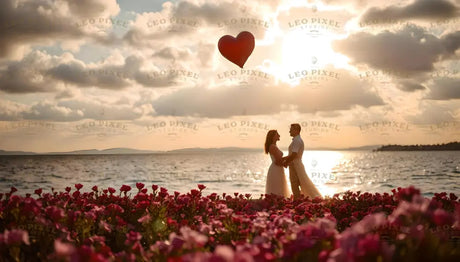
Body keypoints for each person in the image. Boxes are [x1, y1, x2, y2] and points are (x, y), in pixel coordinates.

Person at [282, 123, 322, 199]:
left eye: (291, 129)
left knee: (295, 183)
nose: (289, 131)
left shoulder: (297, 141)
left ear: (296, 130)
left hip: (295, 164)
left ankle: (298, 200)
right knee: (299, 183)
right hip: (296, 163)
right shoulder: (297, 140)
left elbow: (294, 154)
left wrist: (284, 160)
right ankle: (300, 199)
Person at [264, 130, 290, 197]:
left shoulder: (274, 146)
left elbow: (279, 160)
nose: (279, 135)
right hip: (276, 169)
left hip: (277, 168)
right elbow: (278, 161)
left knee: (279, 186)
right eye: (277, 134)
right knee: (277, 186)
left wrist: (285, 162)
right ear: (273, 137)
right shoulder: (272, 146)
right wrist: (289, 157)